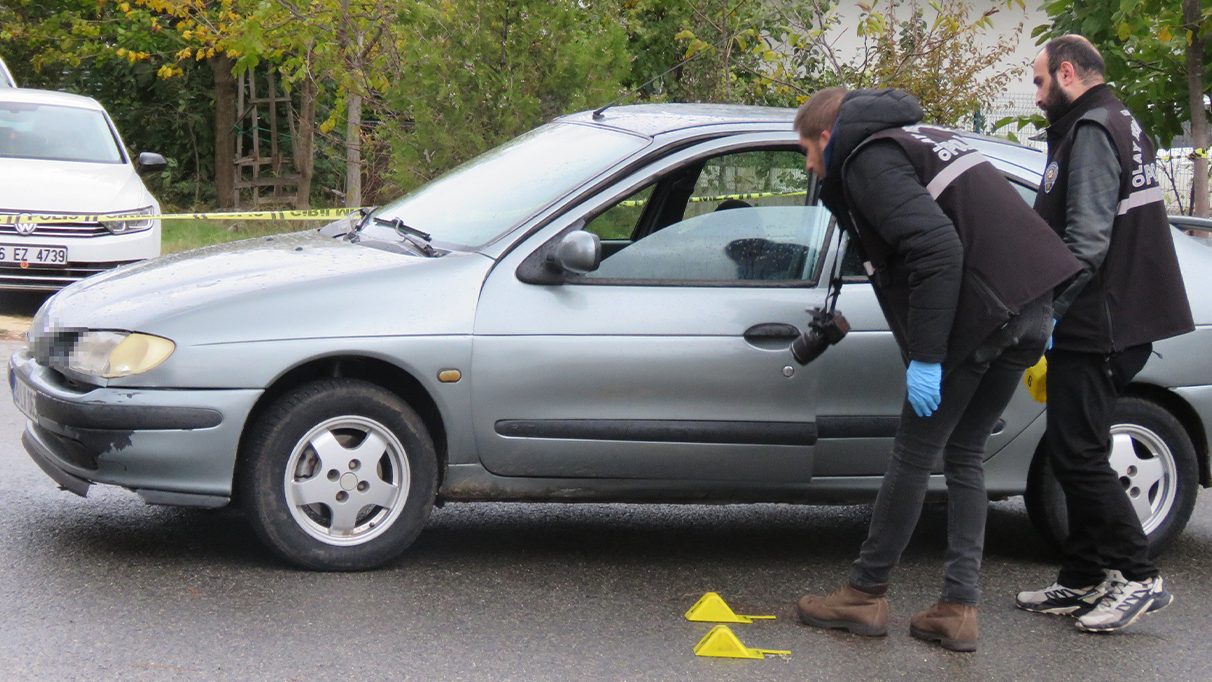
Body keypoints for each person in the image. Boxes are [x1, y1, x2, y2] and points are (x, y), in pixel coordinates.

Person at [792, 87, 1082, 652]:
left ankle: (864, 593)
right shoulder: (924, 138)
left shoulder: (870, 158)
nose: (807, 164)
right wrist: (1041, 313)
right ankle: (957, 608)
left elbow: (938, 249)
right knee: (965, 451)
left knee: (914, 453)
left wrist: (926, 355)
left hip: (981, 316)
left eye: (806, 149)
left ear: (828, 135)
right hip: (1027, 309)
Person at [1015, 35, 1194, 633]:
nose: (1037, 96)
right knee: (1076, 447)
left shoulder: (1091, 130)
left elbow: (1086, 242)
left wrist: (1049, 313)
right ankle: (1084, 578)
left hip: (1101, 321)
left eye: (1040, 82)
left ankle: (1138, 578)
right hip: (1117, 316)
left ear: (1067, 72)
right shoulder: (1119, 119)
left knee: (1080, 452)